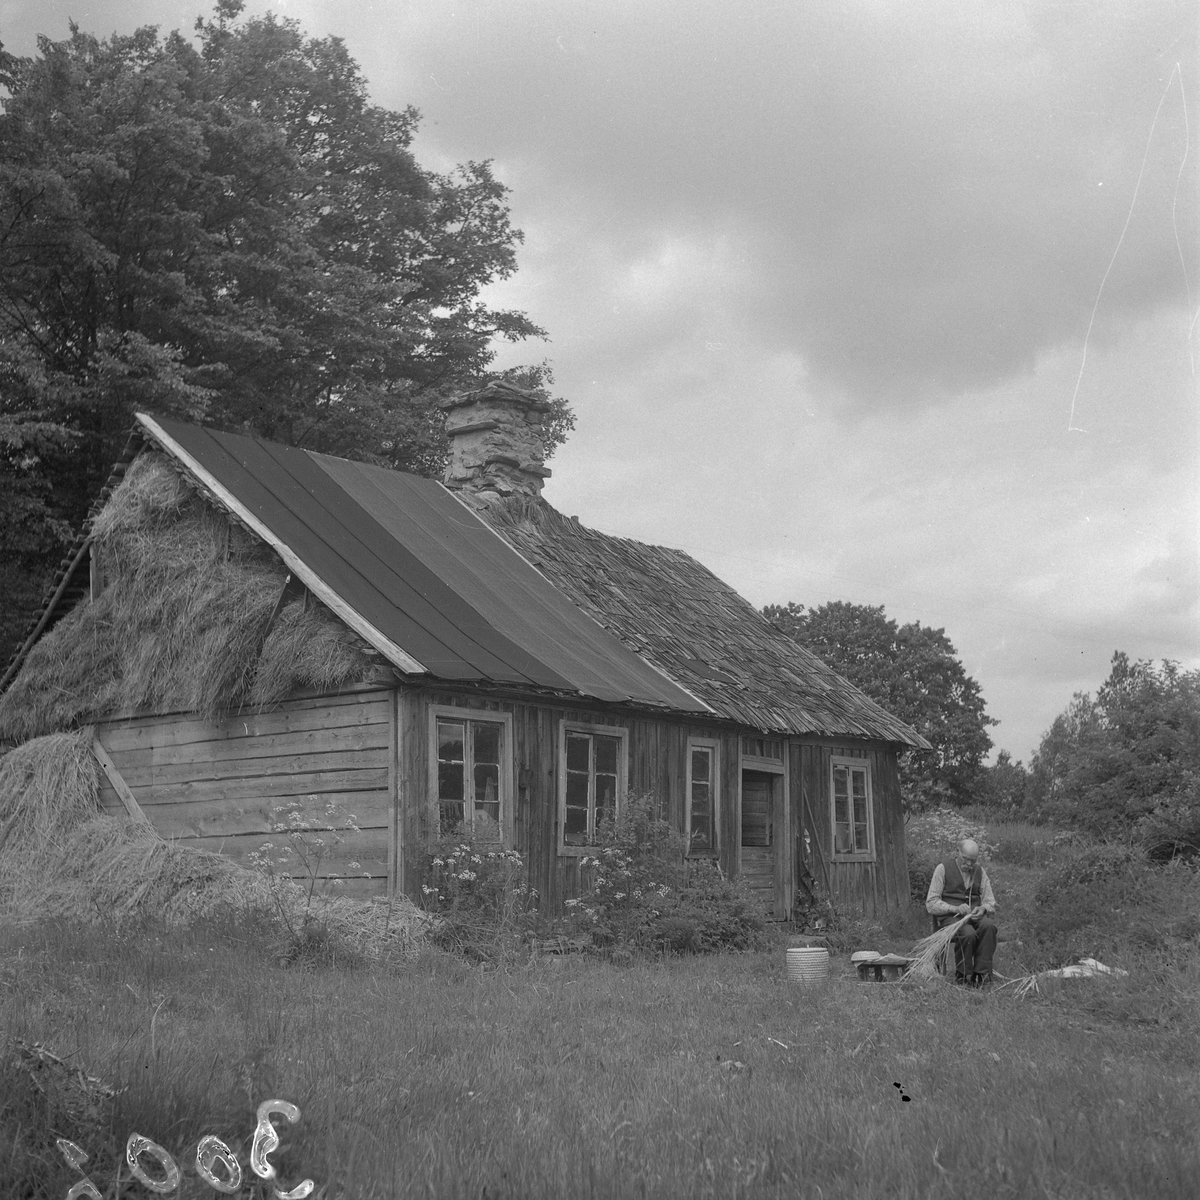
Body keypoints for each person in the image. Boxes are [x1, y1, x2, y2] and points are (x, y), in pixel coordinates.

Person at [925, 838, 998, 986]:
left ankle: (981, 975)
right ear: (957, 852)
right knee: (968, 933)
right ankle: (963, 975)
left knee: (988, 927)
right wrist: (953, 908)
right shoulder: (943, 869)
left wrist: (983, 908)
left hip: (974, 916)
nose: (969, 864)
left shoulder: (979, 871)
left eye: (973, 860)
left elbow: (990, 902)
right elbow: (931, 903)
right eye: (965, 859)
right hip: (951, 918)